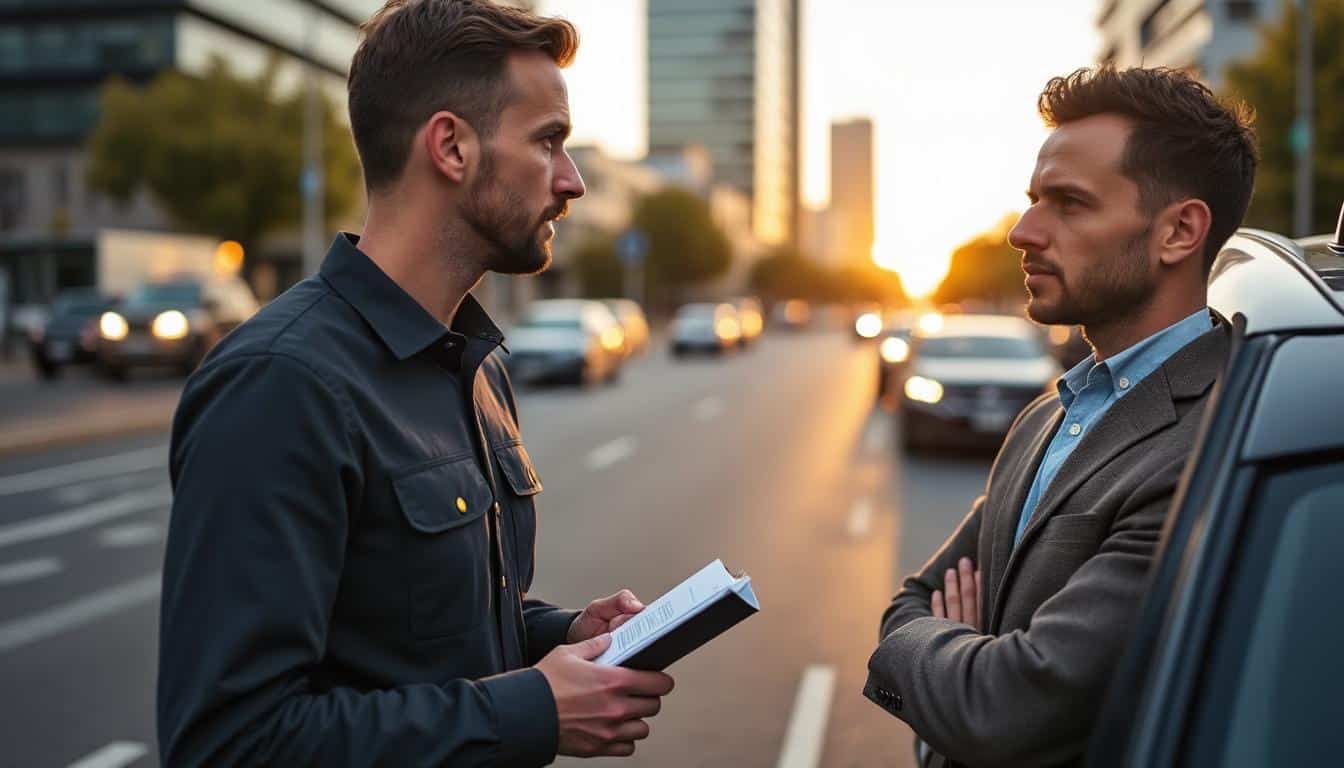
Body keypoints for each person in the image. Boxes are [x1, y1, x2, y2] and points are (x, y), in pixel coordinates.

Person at [157, 1, 674, 764]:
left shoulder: (478, 365)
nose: (572, 182)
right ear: (451, 147)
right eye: (548, 142)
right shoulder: (281, 385)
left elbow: (415, 635)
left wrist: (560, 637)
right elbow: (230, 743)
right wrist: (532, 709)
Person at [864, 65, 1258, 768]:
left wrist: (940, 669)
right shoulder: (1051, 411)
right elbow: (912, 600)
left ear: (1178, 232)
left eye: (1068, 204)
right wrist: (963, 668)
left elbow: (1005, 710)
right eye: (1032, 200)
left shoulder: (1213, 440)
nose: (1023, 230)